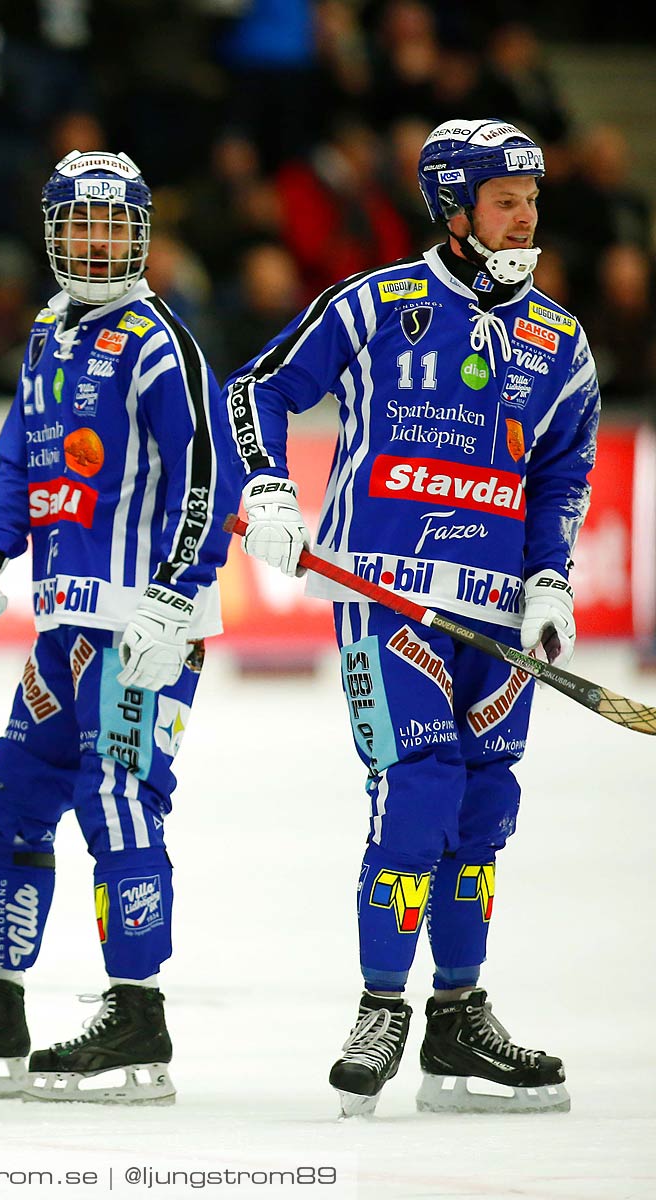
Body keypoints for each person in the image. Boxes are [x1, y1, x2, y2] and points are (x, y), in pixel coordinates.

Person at [226, 119, 595, 1117]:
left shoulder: (561, 341)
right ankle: (381, 1005)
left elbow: (563, 475)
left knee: (482, 814)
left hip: (498, 621)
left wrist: (551, 581)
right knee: (419, 789)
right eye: (505, 198)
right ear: (453, 208)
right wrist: (266, 488)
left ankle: (456, 1018)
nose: (526, 213)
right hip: (386, 599)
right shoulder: (377, 303)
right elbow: (257, 389)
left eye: (532, 195)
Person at [0, 151, 237, 1105]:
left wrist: (178, 593)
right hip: (66, 626)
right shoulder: (48, 332)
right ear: (54, 232)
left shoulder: (159, 343)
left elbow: (211, 477)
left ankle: (136, 1012)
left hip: (143, 625)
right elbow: (23, 455)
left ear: (141, 237)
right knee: (11, 796)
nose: (98, 242)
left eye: (116, 226)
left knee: (118, 800)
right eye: (81, 224)